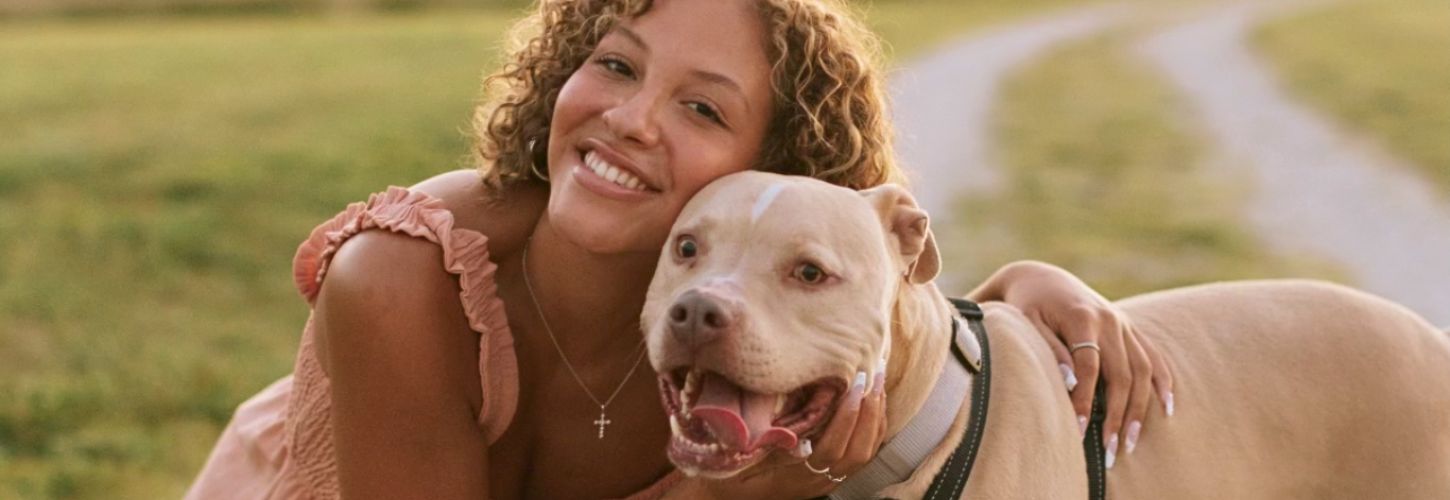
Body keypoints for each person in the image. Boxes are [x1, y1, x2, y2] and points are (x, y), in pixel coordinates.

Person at [186, 0, 1175, 498]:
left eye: (701, 107)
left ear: (779, 169)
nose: (627, 119)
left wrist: (1013, 289)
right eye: (614, 64)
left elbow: (876, 298)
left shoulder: (747, 339)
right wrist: (766, 490)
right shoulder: (404, 278)